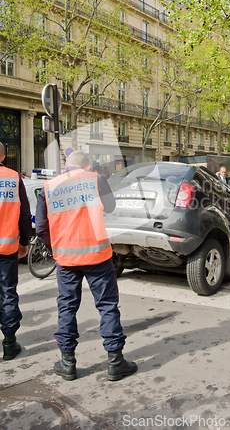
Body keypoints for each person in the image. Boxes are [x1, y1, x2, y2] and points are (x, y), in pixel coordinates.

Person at [35, 151, 137, 382]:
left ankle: (67, 363)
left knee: (67, 308)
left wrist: (54, 249)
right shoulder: (96, 179)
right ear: (87, 165)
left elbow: (41, 225)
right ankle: (115, 362)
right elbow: (110, 207)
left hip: (66, 259)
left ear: (66, 166)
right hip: (97, 254)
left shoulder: (49, 186)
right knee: (107, 306)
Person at [0, 142, 32, 361]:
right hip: (6, 248)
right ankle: (10, 343)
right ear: (2, 156)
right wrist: (24, 241)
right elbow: (24, 213)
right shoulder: (13, 178)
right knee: (7, 292)